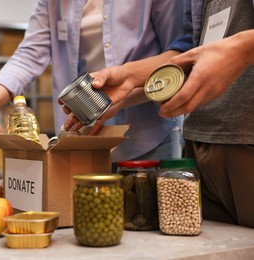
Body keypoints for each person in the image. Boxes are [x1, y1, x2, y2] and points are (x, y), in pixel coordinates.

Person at [78, 0, 254, 228]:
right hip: (201, 141)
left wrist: (243, 47)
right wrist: (130, 76)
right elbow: (190, 47)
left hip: (245, 138)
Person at [0, 1, 185, 166]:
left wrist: (123, 98)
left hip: (147, 136)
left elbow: (179, 55)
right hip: (81, 142)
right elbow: (28, 57)